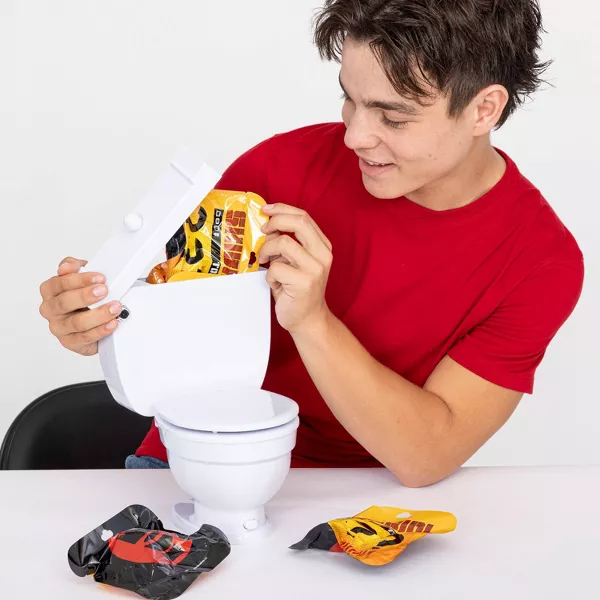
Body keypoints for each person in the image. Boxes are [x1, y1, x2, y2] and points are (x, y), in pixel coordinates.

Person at [38, 0, 584, 487]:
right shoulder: (278, 169)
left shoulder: (540, 262)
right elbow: (173, 326)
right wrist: (101, 320)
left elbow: (426, 456)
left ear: (484, 109)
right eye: (350, 99)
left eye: (393, 116)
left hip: (367, 499)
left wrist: (313, 322)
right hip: (201, 464)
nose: (355, 135)